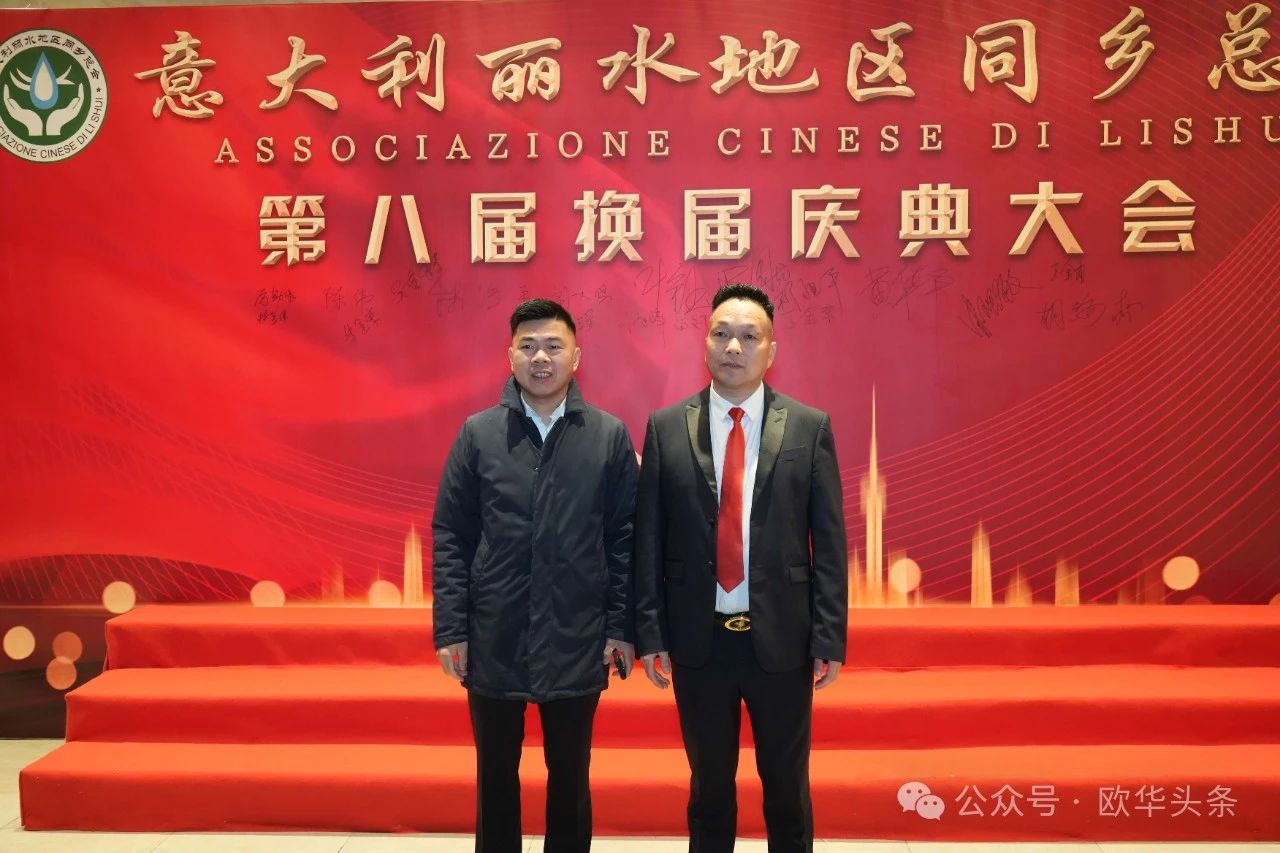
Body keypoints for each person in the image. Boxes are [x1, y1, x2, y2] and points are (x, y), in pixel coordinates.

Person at [634, 283, 848, 852]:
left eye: (749, 336)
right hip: (699, 641)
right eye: (722, 334)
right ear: (704, 343)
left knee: (786, 788)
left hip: (782, 639)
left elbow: (828, 541)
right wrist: (650, 634)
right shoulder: (665, 427)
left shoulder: (807, 427)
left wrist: (829, 636)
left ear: (771, 350)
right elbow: (648, 539)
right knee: (708, 790)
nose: (734, 347)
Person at [432, 298, 638, 853]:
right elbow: (452, 533)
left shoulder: (608, 436)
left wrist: (620, 627)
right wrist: (452, 628)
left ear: (576, 357)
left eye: (552, 346)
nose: (540, 357)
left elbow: (625, 540)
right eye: (527, 346)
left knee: (570, 777)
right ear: (510, 357)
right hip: (495, 632)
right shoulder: (479, 434)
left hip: (578, 633)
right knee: (495, 776)